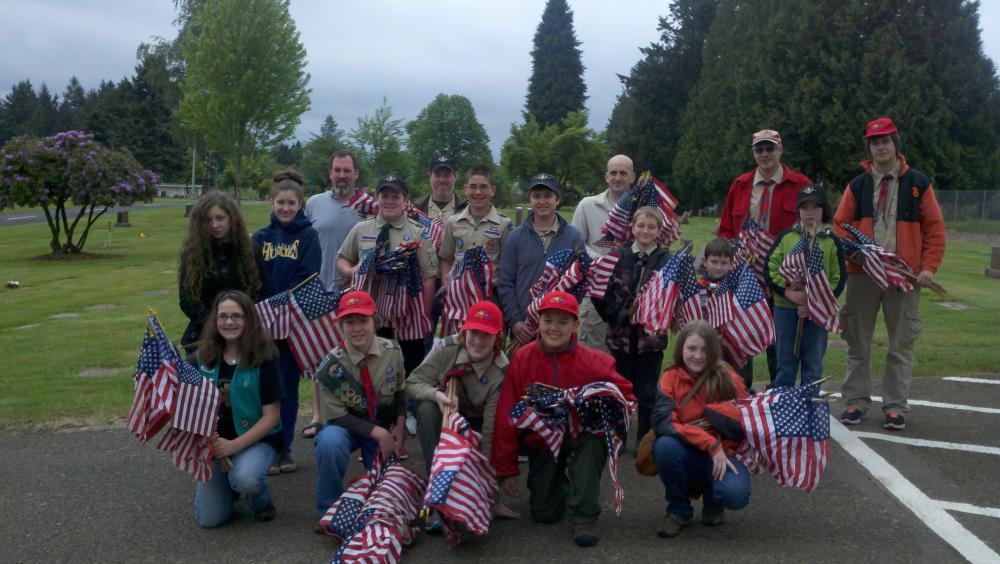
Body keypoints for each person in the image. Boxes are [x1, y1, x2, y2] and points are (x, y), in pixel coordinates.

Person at [492, 291, 635, 548]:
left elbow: (625, 395)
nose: (554, 328)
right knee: (544, 514)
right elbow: (507, 414)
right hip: (543, 440)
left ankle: (584, 516)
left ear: (575, 325)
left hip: (582, 436)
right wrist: (507, 469)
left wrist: (609, 417)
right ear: (539, 322)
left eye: (562, 322)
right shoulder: (523, 358)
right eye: (548, 320)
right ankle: (565, 486)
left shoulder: (594, 361)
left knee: (592, 443)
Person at [834, 117, 946, 430]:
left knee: (901, 344)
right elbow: (840, 226)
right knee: (857, 341)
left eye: (885, 140)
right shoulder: (857, 185)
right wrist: (857, 253)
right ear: (869, 147)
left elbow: (934, 229)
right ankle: (855, 402)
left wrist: (927, 267)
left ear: (895, 143)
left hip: (903, 277)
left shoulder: (918, 184)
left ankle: (896, 406)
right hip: (863, 274)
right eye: (874, 142)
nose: (880, 147)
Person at [406, 300, 518, 529]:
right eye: (473, 333)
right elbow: (412, 383)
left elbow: (491, 429)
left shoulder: (500, 370)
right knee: (425, 409)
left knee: (481, 453)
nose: (477, 341)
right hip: (446, 410)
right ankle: (437, 491)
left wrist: (490, 489)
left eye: (485, 335)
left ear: (497, 338)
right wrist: (435, 394)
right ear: (464, 331)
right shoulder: (445, 349)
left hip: (476, 421)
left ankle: (474, 497)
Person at [718, 129, 812, 385]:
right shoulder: (740, 185)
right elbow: (727, 229)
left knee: (779, 340)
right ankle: (740, 392)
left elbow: (811, 227)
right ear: (754, 153)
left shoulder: (801, 184)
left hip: (782, 276)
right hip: (744, 276)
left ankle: (778, 394)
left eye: (770, 148)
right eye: (759, 149)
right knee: (740, 336)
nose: (765, 154)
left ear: (780, 150)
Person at [191, 290, 283, 528]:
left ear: (248, 319)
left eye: (236, 316)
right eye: (223, 316)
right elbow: (181, 397)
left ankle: (260, 501)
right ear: (215, 320)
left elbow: (271, 417)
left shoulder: (264, 358)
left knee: (246, 479)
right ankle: (229, 487)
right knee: (210, 520)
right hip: (216, 444)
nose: (229, 322)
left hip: (256, 439)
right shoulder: (202, 357)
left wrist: (233, 446)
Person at [651, 320, 751, 538]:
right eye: (692, 348)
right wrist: (710, 443)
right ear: (681, 349)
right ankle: (679, 510)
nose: (698, 355)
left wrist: (720, 445)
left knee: (735, 494)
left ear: (714, 350)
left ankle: (714, 503)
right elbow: (663, 421)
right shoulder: (670, 378)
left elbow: (747, 422)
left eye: (705, 349)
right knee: (664, 447)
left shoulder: (730, 378)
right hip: (689, 453)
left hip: (724, 455)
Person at [312, 291, 407, 518]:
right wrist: (380, 434)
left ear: (374, 321)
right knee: (328, 442)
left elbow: (401, 391)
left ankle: (373, 503)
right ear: (340, 326)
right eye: (349, 322)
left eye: (363, 321)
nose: (357, 329)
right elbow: (335, 416)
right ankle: (329, 509)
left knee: (386, 500)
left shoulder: (392, 351)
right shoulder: (332, 365)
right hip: (347, 427)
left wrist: (401, 425)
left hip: (381, 423)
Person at [252, 171, 322, 474]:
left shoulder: (308, 236)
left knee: (287, 389)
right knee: (262, 390)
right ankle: (265, 446)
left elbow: (308, 275)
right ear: (271, 201)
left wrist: (281, 306)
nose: (285, 208)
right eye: (280, 202)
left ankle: (285, 449)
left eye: (291, 203)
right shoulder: (260, 238)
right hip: (262, 325)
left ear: (300, 205)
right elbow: (252, 279)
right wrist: (266, 306)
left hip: (292, 327)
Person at [336, 175, 437, 377]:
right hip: (370, 316)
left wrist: (424, 315)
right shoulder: (362, 229)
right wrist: (350, 271)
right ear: (377, 198)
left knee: (410, 370)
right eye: (384, 196)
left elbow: (429, 277)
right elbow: (342, 258)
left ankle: (406, 407)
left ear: (405, 200)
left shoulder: (419, 233)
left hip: (407, 317)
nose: (389, 201)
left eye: (395, 196)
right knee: (373, 370)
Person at [592, 206, 671, 448]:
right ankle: (619, 436)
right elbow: (599, 292)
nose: (645, 230)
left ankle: (644, 441)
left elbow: (672, 297)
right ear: (632, 228)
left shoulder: (666, 261)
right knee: (620, 388)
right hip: (621, 337)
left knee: (647, 392)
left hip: (650, 340)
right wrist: (617, 315)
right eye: (641, 225)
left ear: (659, 231)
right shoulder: (617, 256)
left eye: (651, 226)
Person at [765, 184, 846, 388]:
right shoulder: (787, 238)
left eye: (815, 207)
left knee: (813, 365)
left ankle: (811, 411)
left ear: (823, 210)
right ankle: (784, 408)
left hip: (817, 312)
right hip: (786, 309)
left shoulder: (831, 242)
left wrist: (815, 302)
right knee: (785, 364)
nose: (809, 213)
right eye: (804, 207)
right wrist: (788, 292)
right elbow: (770, 268)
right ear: (798, 210)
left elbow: (838, 278)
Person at [497, 173, 584, 346]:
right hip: (524, 327)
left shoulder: (573, 236)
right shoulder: (516, 237)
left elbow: (581, 282)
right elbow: (506, 282)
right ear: (530, 199)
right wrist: (515, 321)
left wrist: (564, 319)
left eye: (548, 196)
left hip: (559, 327)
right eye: (536, 196)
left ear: (557, 199)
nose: (542, 201)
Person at [178, 191, 268, 351]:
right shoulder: (193, 253)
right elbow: (186, 299)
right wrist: (215, 323)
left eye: (220, 218)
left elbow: (262, 290)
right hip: (203, 335)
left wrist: (238, 320)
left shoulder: (250, 250)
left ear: (231, 219)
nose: (214, 225)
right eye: (208, 220)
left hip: (244, 333)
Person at [572, 154, 637, 353]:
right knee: (591, 354)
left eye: (623, 173)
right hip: (595, 292)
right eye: (613, 173)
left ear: (632, 177)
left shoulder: (642, 208)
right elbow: (576, 243)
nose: (618, 178)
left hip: (630, 294)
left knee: (625, 360)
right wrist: (603, 262)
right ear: (606, 176)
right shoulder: (587, 205)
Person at [438, 165, 513, 295]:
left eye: (483, 187)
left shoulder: (504, 224)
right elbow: (446, 259)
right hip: (458, 294)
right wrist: (446, 287)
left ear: (493, 190)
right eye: (473, 187)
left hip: (490, 293)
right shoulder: (453, 222)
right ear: (465, 190)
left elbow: (508, 265)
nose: (478, 192)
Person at [305, 150, 363, 292]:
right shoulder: (314, 203)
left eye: (347, 171)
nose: (342, 175)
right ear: (330, 173)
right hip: (319, 292)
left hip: (355, 292)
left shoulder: (369, 207)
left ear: (356, 173)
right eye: (337, 170)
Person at [696, 238, 746, 387]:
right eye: (714, 261)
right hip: (705, 340)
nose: (718, 267)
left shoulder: (737, 287)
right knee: (705, 378)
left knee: (733, 380)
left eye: (724, 263)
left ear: (731, 265)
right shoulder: (698, 287)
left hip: (731, 342)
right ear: (704, 261)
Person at [414, 154, 468, 220]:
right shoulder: (416, 210)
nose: (442, 180)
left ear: (455, 177)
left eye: (446, 175)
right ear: (429, 177)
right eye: (438, 175)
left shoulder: (467, 208)